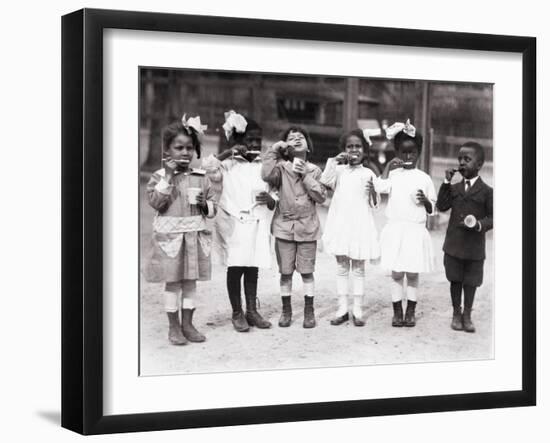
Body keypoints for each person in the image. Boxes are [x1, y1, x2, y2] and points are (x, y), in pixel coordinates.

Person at [144, 115, 216, 345]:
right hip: (171, 240)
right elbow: (156, 203)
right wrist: (168, 176)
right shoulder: (159, 177)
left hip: (194, 238)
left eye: (189, 147)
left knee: (190, 283)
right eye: (179, 147)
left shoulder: (201, 178)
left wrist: (205, 204)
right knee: (173, 283)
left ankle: (188, 324)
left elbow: (213, 210)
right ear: (167, 149)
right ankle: (173, 327)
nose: (185, 152)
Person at [203, 111, 275, 332]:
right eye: (248, 139)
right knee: (236, 267)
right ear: (237, 141)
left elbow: (274, 191)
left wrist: (270, 199)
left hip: (256, 220)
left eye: (257, 140)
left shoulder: (263, 164)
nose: (253, 144)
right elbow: (208, 166)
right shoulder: (227, 164)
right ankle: (237, 312)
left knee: (252, 266)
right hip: (233, 220)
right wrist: (228, 153)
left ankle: (252, 310)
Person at [261, 126, 327, 328]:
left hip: (308, 227)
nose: (296, 139)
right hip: (284, 227)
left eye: (301, 137)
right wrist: (274, 149)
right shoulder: (280, 168)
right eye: (291, 138)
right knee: (286, 272)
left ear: (308, 146)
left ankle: (309, 310)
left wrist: (305, 176)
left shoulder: (314, 170)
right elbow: (265, 175)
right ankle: (286, 310)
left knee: (307, 271)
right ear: (286, 148)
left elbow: (321, 196)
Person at [374, 119, 436, 327]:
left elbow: (432, 209)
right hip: (396, 229)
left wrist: (425, 201)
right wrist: (388, 166)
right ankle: (397, 311)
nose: (408, 157)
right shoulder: (394, 174)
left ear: (419, 152)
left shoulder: (425, 178)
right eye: (403, 152)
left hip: (414, 230)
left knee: (412, 271)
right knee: (397, 272)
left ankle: (411, 310)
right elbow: (381, 187)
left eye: (413, 153)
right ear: (397, 152)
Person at [320, 129, 380, 326]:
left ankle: (358, 309)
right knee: (342, 266)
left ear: (364, 150)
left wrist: (372, 193)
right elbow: (325, 182)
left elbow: (375, 203)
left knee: (359, 268)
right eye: (350, 146)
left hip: (360, 224)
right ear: (344, 150)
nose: (354, 150)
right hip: (341, 223)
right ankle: (342, 307)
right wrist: (334, 161)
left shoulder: (369, 173)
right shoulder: (339, 171)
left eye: (358, 146)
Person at [436, 141, 493, 333]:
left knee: (471, 282)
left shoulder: (487, 192)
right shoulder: (454, 188)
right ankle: (456, 313)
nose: (461, 163)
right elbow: (442, 206)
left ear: (479, 165)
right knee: (455, 279)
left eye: (467, 160)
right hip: (454, 245)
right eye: (460, 159)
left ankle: (467, 314)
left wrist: (479, 225)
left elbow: (493, 218)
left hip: (474, 247)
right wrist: (446, 182)